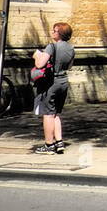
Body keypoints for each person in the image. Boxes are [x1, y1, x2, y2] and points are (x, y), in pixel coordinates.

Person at [32, 21, 75, 154]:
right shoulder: (71, 48)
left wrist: (36, 56)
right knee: (56, 113)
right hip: (63, 82)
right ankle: (59, 141)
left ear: (60, 33)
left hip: (51, 83)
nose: (52, 32)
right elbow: (69, 66)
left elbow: (39, 64)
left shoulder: (52, 47)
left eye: (54, 30)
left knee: (48, 114)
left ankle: (49, 144)